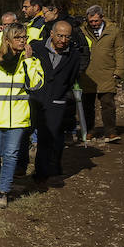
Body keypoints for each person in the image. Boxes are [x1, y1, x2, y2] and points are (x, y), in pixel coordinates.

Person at [0, 23, 44, 208]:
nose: (22, 41)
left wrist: (29, 61)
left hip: (19, 118)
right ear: (7, 40)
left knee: (11, 155)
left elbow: (36, 86)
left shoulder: (31, 60)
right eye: (18, 37)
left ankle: (2, 191)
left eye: (25, 38)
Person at [28, 20, 81, 186]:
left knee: (48, 137)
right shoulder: (36, 48)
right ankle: (20, 167)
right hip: (34, 98)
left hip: (56, 99)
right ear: (51, 34)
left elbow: (71, 78)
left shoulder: (74, 54)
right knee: (24, 133)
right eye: (60, 35)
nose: (63, 40)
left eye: (67, 37)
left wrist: (62, 95)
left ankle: (43, 172)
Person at [79, 5, 124, 141]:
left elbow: (120, 52)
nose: (93, 24)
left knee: (108, 104)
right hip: (87, 74)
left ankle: (110, 132)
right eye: (90, 21)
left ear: (102, 18)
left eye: (96, 21)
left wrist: (119, 71)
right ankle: (89, 130)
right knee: (87, 105)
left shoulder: (114, 31)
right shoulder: (81, 31)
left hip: (107, 73)